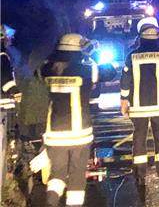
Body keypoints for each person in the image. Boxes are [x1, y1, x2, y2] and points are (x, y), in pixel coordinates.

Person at [39, 33, 114, 206]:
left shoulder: (48, 70)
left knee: (56, 176)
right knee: (76, 178)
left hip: (54, 134)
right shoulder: (86, 71)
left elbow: (46, 64)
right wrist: (93, 53)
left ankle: (50, 203)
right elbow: (110, 71)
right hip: (80, 134)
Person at [120, 23, 159, 201]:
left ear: (140, 36)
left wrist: (124, 100)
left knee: (138, 138)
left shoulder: (132, 55)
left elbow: (125, 80)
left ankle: (139, 176)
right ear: (156, 37)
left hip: (138, 107)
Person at [1, 26, 22, 187]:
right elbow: (6, 80)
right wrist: (17, 92)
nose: (10, 40)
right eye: (8, 37)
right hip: (3, 106)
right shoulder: (2, 56)